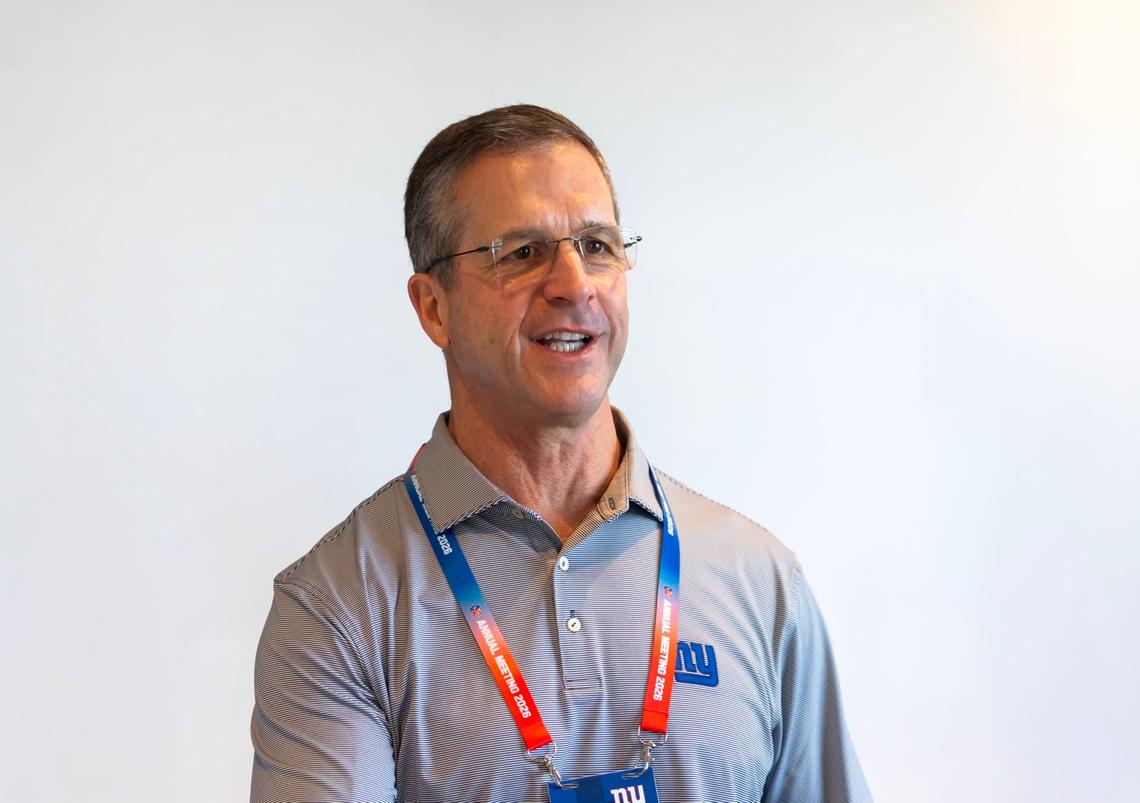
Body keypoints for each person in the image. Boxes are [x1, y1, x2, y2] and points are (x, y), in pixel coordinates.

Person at [250, 104, 872, 803]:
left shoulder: (761, 581)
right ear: (433, 307)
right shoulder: (340, 604)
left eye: (598, 246)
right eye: (520, 253)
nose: (574, 284)